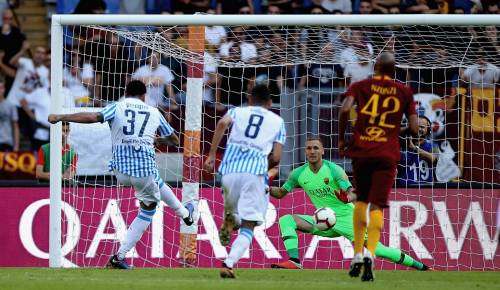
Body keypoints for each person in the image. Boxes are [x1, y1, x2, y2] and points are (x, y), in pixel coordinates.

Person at [48, 80, 194, 269]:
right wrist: (156, 139)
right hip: (142, 171)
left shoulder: (117, 106)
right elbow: (174, 140)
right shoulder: (154, 112)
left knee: (156, 181)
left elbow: (94, 117)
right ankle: (119, 257)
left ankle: (184, 214)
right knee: (148, 209)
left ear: (126, 93)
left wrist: (61, 116)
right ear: (144, 96)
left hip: (120, 171)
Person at [269, 136, 430, 271]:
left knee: (379, 250)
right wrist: (266, 188)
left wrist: (347, 198)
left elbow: (353, 192)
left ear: (323, 151)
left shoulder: (334, 170)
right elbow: (281, 193)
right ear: (305, 151)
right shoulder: (298, 174)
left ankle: (423, 268)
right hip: (323, 221)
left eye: (316, 148)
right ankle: (295, 261)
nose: (312, 151)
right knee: (286, 220)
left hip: (348, 219)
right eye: (309, 148)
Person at [338, 52, 419, 281]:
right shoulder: (404, 91)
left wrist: (342, 139)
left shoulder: (360, 85)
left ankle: (356, 254)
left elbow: (345, 109)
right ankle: (370, 254)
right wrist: (396, 131)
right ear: (394, 71)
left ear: (375, 67)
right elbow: (414, 129)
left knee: (361, 201)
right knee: (377, 206)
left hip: (362, 152)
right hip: (387, 155)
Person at [203, 84, 286, 279]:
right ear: (270, 102)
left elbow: (222, 124)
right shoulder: (278, 121)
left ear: (249, 99)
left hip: (228, 171)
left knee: (237, 212)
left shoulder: (238, 111)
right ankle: (229, 264)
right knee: (250, 224)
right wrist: (263, 168)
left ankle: (231, 220)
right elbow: (276, 157)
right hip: (254, 173)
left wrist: (212, 155)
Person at [398, 115, 438, 186]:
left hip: (427, 189)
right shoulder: (401, 146)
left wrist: (413, 148)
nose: (418, 129)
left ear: (428, 130)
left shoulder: (433, 146)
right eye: (416, 126)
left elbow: (433, 159)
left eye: (422, 127)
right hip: (404, 190)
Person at [0, 76, 19, 151]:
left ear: (4, 89)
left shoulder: (10, 105)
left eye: (1, 88)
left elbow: (15, 126)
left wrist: (16, 146)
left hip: (7, 142)